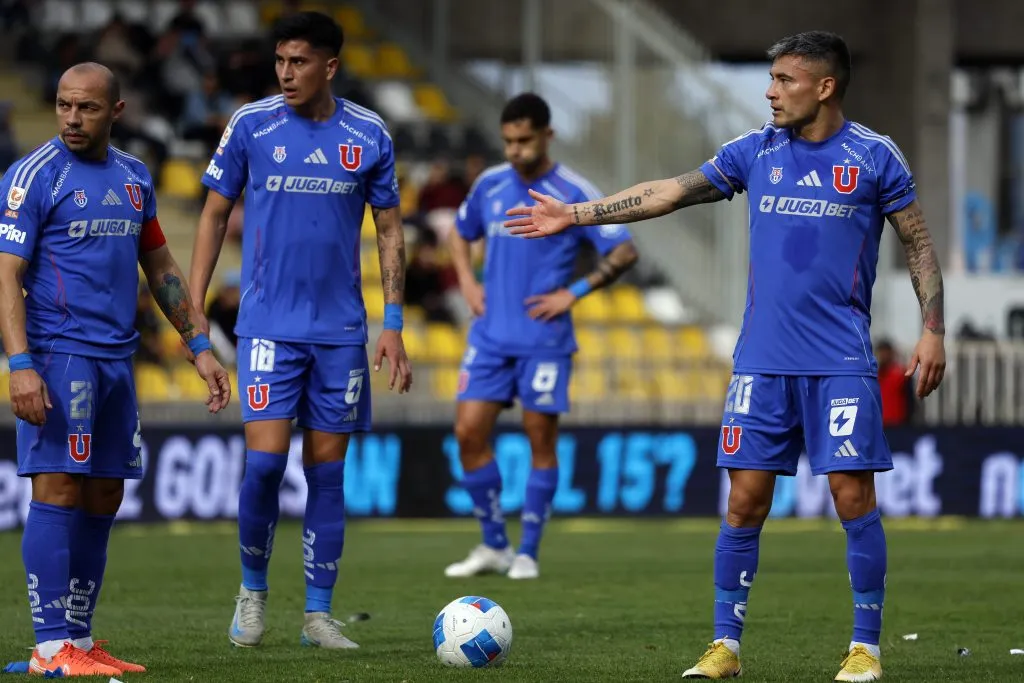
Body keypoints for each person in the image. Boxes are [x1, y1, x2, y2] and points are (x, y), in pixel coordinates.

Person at [504, 32, 946, 681]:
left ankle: (865, 647)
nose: (769, 91)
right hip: (761, 362)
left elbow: (919, 244)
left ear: (824, 86)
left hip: (839, 363)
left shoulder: (874, 156)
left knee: (853, 497)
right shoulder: (755, 152)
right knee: (743, 502)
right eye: (768, 78)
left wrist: (933, 327)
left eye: (784, 79)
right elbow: (669, 191)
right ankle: (725, 646)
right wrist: (577, 213)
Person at [188, 11, 413, 650]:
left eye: (299, 62)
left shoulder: (368, 134)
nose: (285, 73)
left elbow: (390, 228)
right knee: (263, 467)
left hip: (341, 333)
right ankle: (252, 594)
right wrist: (195, 309)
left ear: (330, 66)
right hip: (267, 328)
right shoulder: (251, 124)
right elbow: (212, 213)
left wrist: (393, 322)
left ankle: (317, 614)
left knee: (327, 475)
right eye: (280, 61)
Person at [0, 62, 230, 677]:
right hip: (57, 355)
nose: (73, 118)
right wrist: (19, 365)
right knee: (58, 488)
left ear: (117, 111)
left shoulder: (133, 178)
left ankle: (79, 638)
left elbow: (160, 266)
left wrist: (199, 345)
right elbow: (6, 275)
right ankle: (50, 649)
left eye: (88, 108)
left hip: (116, 359)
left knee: (104, 493)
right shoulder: (32, 177)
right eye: (64, 106)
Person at [444, 93, 639, 581]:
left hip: (544, 338)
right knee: (467, 432)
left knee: (540, 441)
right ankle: (494, 546)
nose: (514, 150)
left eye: (524, 140)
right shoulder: (489, 184)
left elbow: (624, 251)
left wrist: (573, 292)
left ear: (547, 136)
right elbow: (458, 232)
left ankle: (528, 550)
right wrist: (467, 281)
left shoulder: (573, 189)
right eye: (508, 141)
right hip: (489, 336)